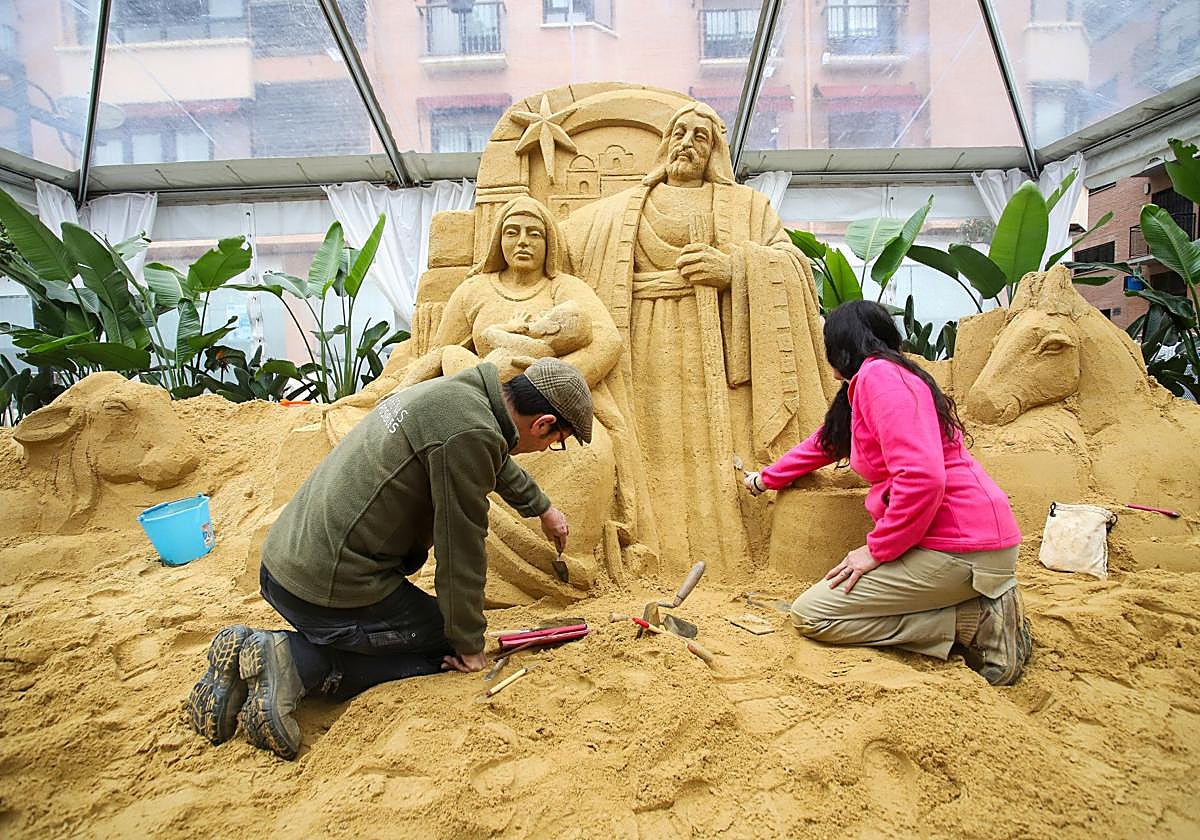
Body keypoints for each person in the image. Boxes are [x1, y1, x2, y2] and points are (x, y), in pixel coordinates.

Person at [185, 356, 594, 759]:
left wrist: (542, 508)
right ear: (542, 423)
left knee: (441, 627)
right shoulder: (469, 433)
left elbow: (493, 456)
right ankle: (294, 661)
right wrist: (468, 645)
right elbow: (460, 551)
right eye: (552, 442)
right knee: (441, 646)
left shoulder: (461, 395)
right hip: (327, 585)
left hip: (284, 565)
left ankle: (244, 659)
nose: (544, 448)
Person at [560, 100, 835, 577]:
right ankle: (649, 554)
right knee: (648, 445)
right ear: (666, 144)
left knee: (710, 447)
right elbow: (558, 243)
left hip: (712, 344)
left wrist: (734, 270)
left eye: (700, 137)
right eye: (679, 133)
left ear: (714, 153)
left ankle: (724, 561)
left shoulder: (748, 206)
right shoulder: (620, 210)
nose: (687, 143)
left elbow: (794, 267)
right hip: (639, 343)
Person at [741, 300, 1030, 686]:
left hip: (961, 545)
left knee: (813, 615)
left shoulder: (881, 379)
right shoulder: (876, 381)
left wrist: (876, 549)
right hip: (965, 541)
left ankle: (975, 623)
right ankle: (977, 612)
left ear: (837, 349)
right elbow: (824, 444)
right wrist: (767, 479)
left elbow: (923, 476)